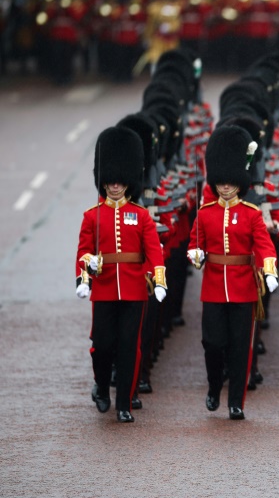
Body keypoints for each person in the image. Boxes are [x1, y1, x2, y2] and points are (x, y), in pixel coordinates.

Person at [76, 126, 167, 423]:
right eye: (110, 183)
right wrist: (85, 274)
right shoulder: (93, 215)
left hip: (133, 288)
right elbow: (83, 251)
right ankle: (102, 386)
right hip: (103, 288)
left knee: (130, 345)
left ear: (128, 183)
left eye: (119, 183)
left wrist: (158, 279)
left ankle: (125, 402)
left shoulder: (141, 216)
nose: (115, 187)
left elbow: (153, 250)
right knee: (101, 345)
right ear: (103, 183)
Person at [187, 125, 279, 420]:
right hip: (213, 287)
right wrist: (196, 255)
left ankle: (236, 402)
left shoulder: (251, 213)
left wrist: (269, 271)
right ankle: (215, 386)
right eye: (221, 182)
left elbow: (264, 246)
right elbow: (193, 245)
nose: (226, 187)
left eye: (231, 182)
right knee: (212, 343)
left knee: (241, 347)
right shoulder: (204, 213)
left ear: (240, 181)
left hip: (243, 288)